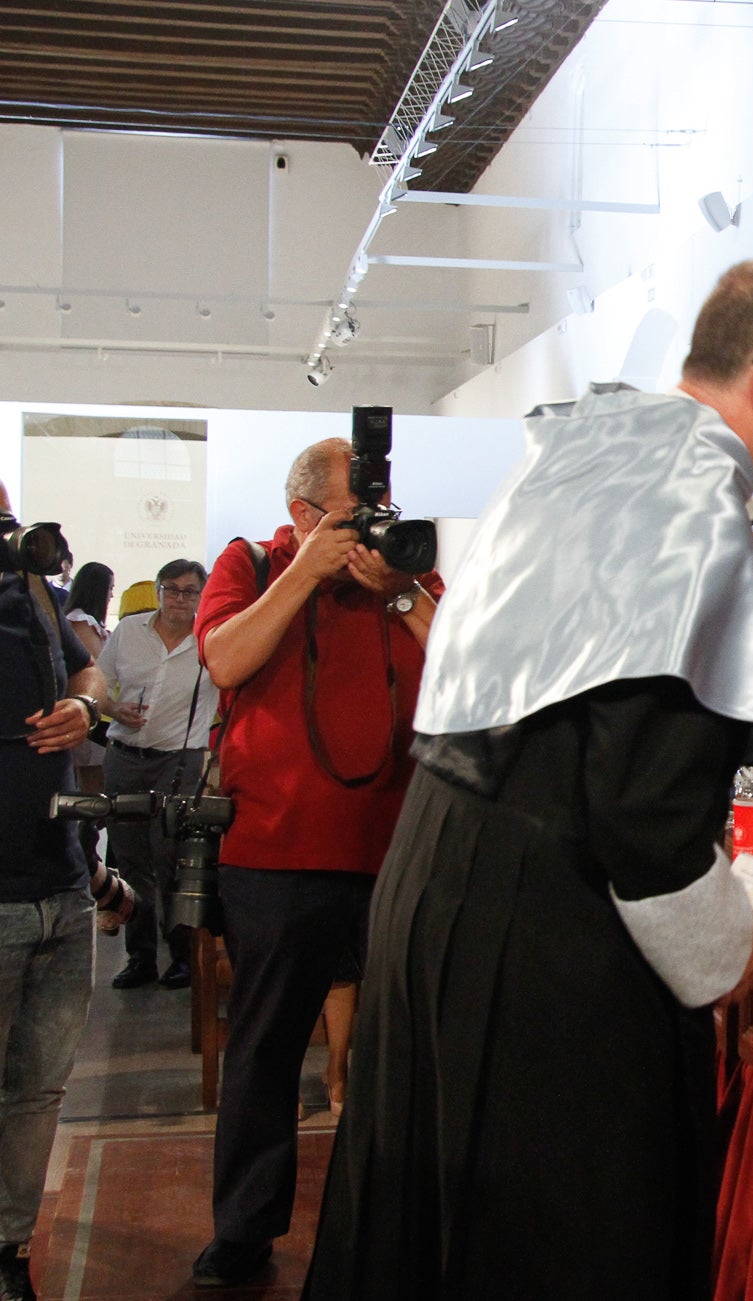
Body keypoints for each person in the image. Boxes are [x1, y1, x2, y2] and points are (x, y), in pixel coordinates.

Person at [307, 258, 753, 1297]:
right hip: (539, 934)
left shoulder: (603, 450)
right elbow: (644, 815)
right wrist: (727, 966)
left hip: (445, 872)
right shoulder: (687, 492)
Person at [190, 440, 442, 1287]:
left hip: (397, 852)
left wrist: (399, 588)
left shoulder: (402, 574)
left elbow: (467, 670)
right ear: (304, 513)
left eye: (383, 509)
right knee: (265, 1049)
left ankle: (390, 1221)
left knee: (402, 1053)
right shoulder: (254, 562)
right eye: (355, 511)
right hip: (277, 854)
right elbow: (225, 655)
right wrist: (305, 571)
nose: (377, 526)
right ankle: (244, 1228)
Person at [0, 482, 108, 1301]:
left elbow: (93, 673)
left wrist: (81, 703)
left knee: (39, 1089)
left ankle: (8, 1247)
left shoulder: (38, 589)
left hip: (62, 885)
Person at [97, 560, 219, 990]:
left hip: (179, 760)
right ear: (157, 590)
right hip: (125, 756)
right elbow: (97, 682)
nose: (179, 599)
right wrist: (113, 709)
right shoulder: (130, 632)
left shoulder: (210, 639)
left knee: (172, 859)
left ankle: (182, 957)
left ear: (202, 596)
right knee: (130, 862)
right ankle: (140, 957)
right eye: (171, 589)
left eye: (189, 591)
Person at [63, 563, 112, 869]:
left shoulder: (86, 622)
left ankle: (89, 855)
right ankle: (88, 859)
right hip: (87, 714)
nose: (111, 596)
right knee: (91, 793)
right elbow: (99, 666)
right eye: (108, 588)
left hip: (94, 714)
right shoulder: (80, 622)